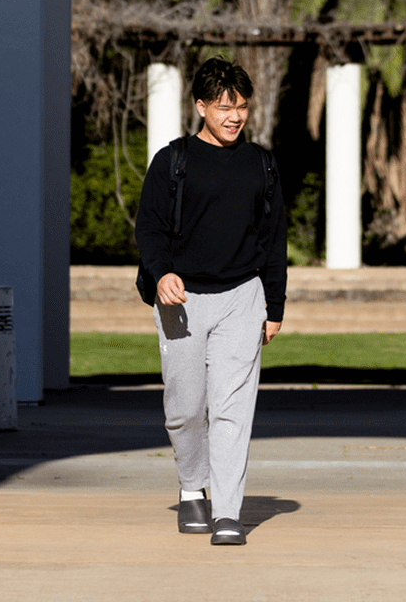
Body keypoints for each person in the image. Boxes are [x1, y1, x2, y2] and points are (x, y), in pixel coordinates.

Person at [136, 57, 287, 546]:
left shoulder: (261, 164)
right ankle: (190, 488)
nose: (234, 117)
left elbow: (274, 240)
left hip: (242, 298)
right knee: (183, 408)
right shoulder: (173, 160)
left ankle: (226, 512)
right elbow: (149, 229)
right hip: (181, 300)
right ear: (201, 107)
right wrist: (162, 273)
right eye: (224, 107)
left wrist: (274, 307)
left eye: (241, 107)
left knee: (231, 410)